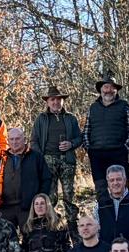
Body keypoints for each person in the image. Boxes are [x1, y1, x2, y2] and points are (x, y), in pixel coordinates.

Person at [32, 84, 84, 223]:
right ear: (48, 102)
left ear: (63, 101)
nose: (56, 102)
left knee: (69, 196)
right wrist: (40, 158)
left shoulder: (70, 118)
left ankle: (74, 231)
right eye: (52, 99)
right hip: (48, 161)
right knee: (50, 197)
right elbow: (34, 141)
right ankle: (52, 228)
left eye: (58, 99)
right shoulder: (41, 119)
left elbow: (80, 138)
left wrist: (71, 144)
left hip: (67, 161)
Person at [85, 77, 129, 198]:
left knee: (121, 188)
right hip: (97, 154)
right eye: (106, 87)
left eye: (111, 87)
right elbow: (86, 130)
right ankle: (104, 215)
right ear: (101, 89)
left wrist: (125, 147)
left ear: (116, 90)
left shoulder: (125, 106)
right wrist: (89, 148)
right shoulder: (93, 108)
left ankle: (124, 216)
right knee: (101, 189)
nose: (108, 90)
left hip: (118, 153)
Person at [0, 127, 49, 227]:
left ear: (24, 140)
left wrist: (39, 201)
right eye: (11, 139)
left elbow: (46, 179)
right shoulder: (2, 158)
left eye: (17, 139)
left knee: (30, 236)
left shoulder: (35, 156)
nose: (14, 142)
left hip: (27, 207)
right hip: (5, 207)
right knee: (5, 238)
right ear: (8, 141)